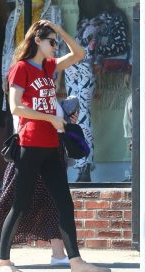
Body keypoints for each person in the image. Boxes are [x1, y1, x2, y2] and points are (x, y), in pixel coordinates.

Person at [0, 19, 111, 272]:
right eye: (51, 42)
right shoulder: (21, 68)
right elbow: (15, 107)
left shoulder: (48, 67)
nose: (55, 46)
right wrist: (50, 118)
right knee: (20, 204)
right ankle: (3, 263)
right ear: (37, 41)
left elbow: (79, 54)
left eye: (56, 42)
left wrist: (58, 30)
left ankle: (76, 262)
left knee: (65, 204)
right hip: (30, 145)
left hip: (51, 145)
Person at [0, 101, 78, 266]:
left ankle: (58, 252)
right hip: (29, 151)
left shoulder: (47, 95)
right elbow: (30, 118)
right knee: (18, 205)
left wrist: (66, 122)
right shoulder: (26, 96)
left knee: (53, 204)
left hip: (50, 151)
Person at [65, 0, 128, 182]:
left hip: (91, 67)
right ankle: (78, 164)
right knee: (72, 114)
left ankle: (84, 166)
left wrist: (96, 50)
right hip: (74, 67)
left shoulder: (115, 17)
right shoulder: (85, 18)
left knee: (83, 114)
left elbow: (121, 44)